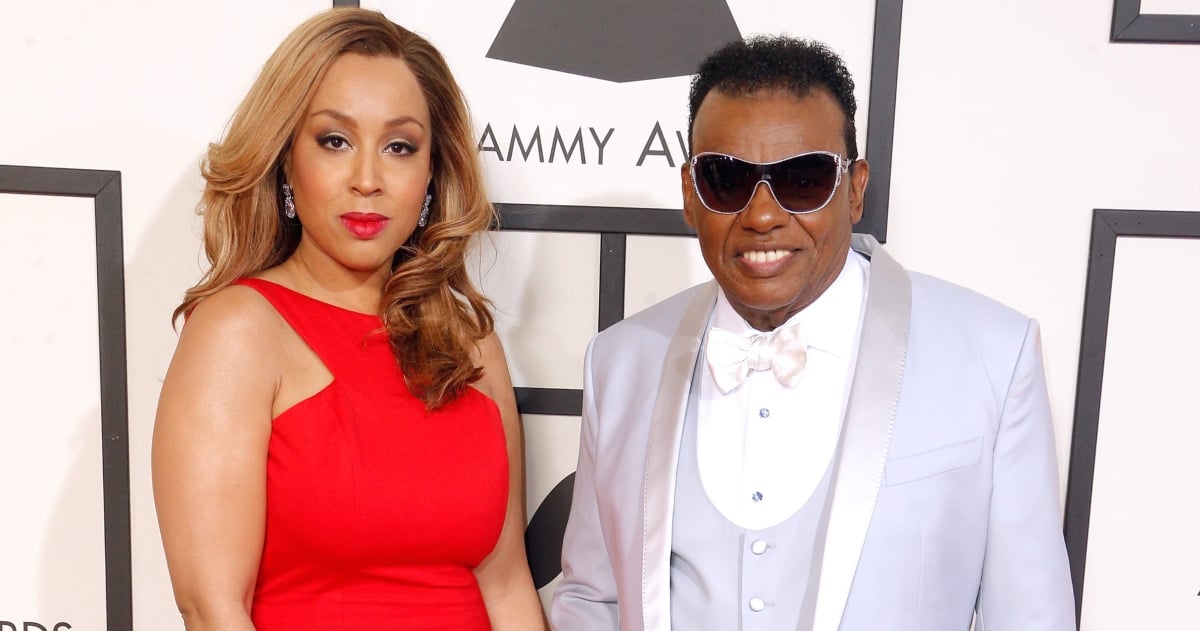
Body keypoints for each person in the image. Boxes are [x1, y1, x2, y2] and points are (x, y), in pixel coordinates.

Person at [551, 36, 1075, 631]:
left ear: (855, 190)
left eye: (803, 179)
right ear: (690, 197)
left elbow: (1031, 617)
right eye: (726, 179)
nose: (762, 215)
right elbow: (591, 599)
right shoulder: (619, 363)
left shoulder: (993, 356)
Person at [152, 8, 545, 630]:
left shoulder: (469, 341)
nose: (367, 180)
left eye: (399, 147)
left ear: (432, 172)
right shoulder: (239, 331)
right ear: (286, 159)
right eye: (334, 140)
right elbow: (213, 609)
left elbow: (507, 587)